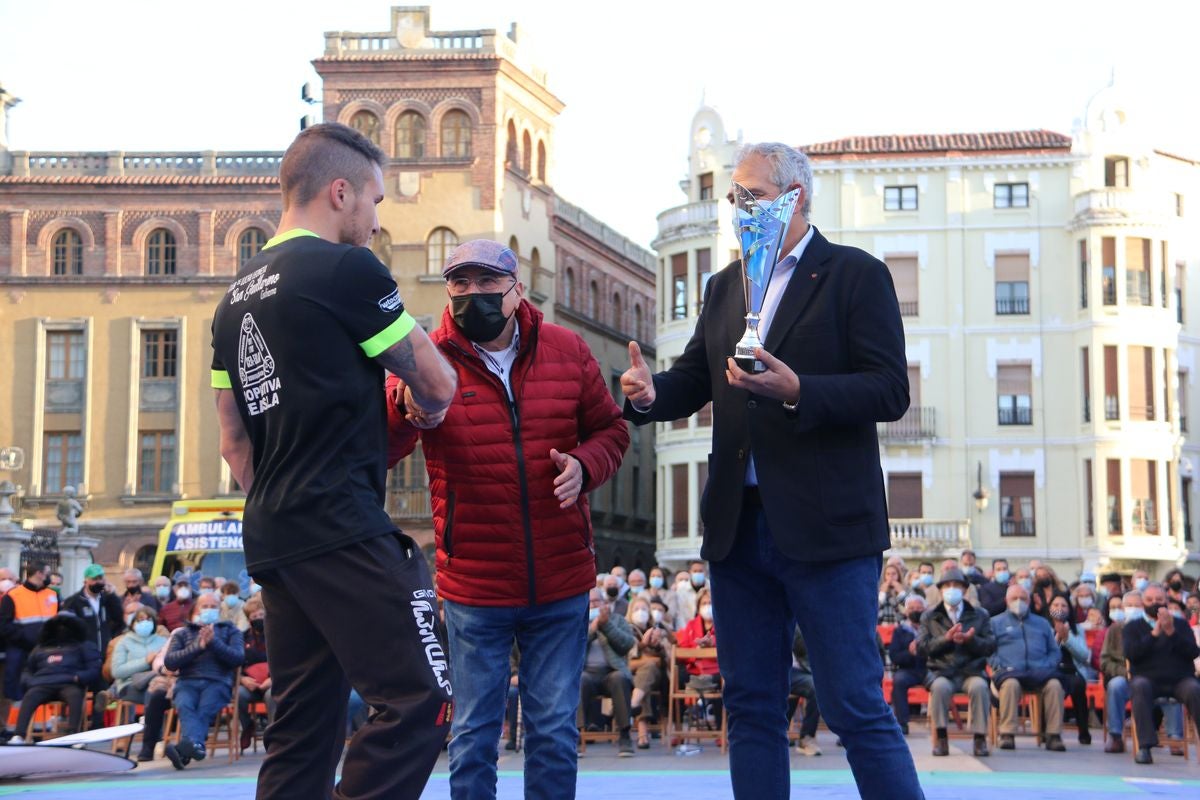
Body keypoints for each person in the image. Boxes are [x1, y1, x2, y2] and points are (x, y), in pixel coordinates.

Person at [621, 141, 922, 799]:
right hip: (738, 531)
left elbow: (889, 390)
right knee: (752, 706)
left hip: (827, 532)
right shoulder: (725, 286)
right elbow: (697, 377)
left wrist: (798, 391)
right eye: (734, 197)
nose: (738, 209)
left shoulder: (853, 275)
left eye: (751, 195)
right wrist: (648, 396)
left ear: (796, 197)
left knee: (852, 706)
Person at [210, 122, 458, 799]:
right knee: (422, 696)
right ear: (340, 192)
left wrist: (284, 504)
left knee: (302, 729)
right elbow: (437, 385)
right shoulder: (346, 270)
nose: (377, 222)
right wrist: (426, 402)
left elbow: (234, 441)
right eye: (375, 202)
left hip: (274, 532)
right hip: (341, 522)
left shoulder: (232, 300)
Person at [383, 238, 628, 800]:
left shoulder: (569, 350)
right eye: (460, 284)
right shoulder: (425, 355)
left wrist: (585, 467)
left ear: (516, 290)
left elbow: (611, 432)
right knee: (471, 733)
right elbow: (386, 441)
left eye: (487, 283)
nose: (473, 295)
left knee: (553, 732)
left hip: (561, 577)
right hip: (475, 581)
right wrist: (402, 409)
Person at [917, 568, 994, 757]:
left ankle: (979, 739)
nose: (952, 589)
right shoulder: (929, 616)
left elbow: (990, 645)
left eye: (956, 586)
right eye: (947, 586)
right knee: (940, 688)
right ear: (941, 590)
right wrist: (946, 638)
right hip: (942, 671)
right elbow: (922, 647)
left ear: (964, 590)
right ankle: (941, 739)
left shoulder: (980, 614)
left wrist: (971, 640)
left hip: (971, 671)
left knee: (980, 687)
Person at [162, 593, 244, 769]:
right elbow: (170, 662)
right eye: (204, 606)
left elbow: (237, 658)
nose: (209, 609)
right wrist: (197, 647)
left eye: (213, 606)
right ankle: (195, 747)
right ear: (196, 609)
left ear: (219, 609)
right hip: (187, 682)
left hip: (218, 681)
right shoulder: (182, 633)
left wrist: (214, 642)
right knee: (185, 705)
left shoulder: (231, 631)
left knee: (205, 709)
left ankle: (185, 750)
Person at [1123, 583, 1200, 764]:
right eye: (1150, 600)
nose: (1154, 603)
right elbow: (1131, 654)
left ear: (1166, 601)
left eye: (1159, 599)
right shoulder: (1132, 627)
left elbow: (1193, 652)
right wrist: (1154, 634)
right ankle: (1145, 746)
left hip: (1179, 680)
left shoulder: (1180, 624)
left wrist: (1171, 633)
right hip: (1147, 679)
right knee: (1139, 687)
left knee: (1194, 689)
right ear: (1143, 602)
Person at [989, 584, 1067, 752]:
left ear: (1029, 601)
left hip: (1039, 672)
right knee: (1010, 685)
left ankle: (1053, 735)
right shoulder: (995, 623)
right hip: (1009, 673)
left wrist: (1047, 665)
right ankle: (1007, 733)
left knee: (1055, 685)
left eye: (1023, 599)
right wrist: (999, 666)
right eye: (1014, 599)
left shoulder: (1042, 623)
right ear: (1006, 601)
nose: (1019, 602)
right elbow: (988, 651)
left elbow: (1055, 652)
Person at [10, 613, 100, 742]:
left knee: (75, 696)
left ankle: (73, 735)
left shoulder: (83, 646)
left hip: (70, 683)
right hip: (42, 684)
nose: (61, 629)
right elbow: (27, 670)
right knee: (30, 696)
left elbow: (94, 668)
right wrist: (30, 682)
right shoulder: (40, 648)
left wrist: (78, 678)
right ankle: (18, 735)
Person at [579, 588, 637, 756]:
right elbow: (574, 647)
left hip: (611, 671)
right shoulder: (578, 622)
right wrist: (593, 629)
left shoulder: (617, 620)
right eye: (590, 602)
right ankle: (575, 737)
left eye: (597, 601)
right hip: (587, 672)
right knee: (579, 680)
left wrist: (606, 626)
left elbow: (626, 644)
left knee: (620, 679)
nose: (593, 605)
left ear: (604, 603)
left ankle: (625, 736)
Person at [1, 563, 58, 722]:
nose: (49, 577)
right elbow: (5, 625)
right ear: (39, 573)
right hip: (20, 649)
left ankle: (39, 725)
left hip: (46, 650)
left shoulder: (52, 595)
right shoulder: (13, 595)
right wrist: (26, 639)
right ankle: (14, 727)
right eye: (47, 573)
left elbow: (57, 621)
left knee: (43, 686)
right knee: (16, 688)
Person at [626, 594, 672, 749]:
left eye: (644, 609)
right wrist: (642, 645)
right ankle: (642, 734)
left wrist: (657, 645)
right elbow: (625, 654)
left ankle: (633, 705)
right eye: (637, 609)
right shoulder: (625, 629)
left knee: (649, 669)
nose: (641, 612)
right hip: (630, 674)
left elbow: (667, 657)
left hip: (657, 678)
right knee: (643, 677)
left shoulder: (657, 629)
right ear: (631, 611)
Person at [1047, 594, 1092, 745]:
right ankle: (1051, 732)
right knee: (1053, 686)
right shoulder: (1044, 627)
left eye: (1063, 605)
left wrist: (1067, 638)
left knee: (1078, 685)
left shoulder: (1077, 629)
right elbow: (1044, 654)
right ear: (1049, 608)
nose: (1059, 608)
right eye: (1056, 605)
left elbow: (1084, 655)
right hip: (1051, 671)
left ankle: (1084, 732)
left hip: (1072, 670)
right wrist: (1057, 638)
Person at [1101, 590, 1139, 753]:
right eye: (1129, 606)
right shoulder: (1115, 630)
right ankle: (1115, 735)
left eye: (1137, 606)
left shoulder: (1153, 629)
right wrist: (1124, 672)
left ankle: (1175, 737)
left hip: (1148, 676)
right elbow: (1104, 660)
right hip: (1123, 676)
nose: (1133, 609)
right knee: (1115, 686)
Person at [887, 595, 928, 736]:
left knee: (940, 681)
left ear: (925, 609)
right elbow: (894, 656)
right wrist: (910, 653)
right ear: (906, 611)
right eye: (911, 608)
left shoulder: (931, 627)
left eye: (918, 608)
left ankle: (940, 725)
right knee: (899, 681)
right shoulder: (900, 631)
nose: (915, 611)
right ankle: (902, 723)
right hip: (908, 670)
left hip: (929, 669)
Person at [110, 605, 167, 704]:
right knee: (152, 695)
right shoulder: (124, 642)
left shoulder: (163, 642)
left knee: (163, 694)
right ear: (133, 624)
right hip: (129, 684)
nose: (145, 623)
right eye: (140, 619)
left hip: (157, 682)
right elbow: (117, 671)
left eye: (149, 620)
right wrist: (145, 662)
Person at [237, 595, 271, 753]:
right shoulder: (241, 637)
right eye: (254, 616)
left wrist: (272, 679)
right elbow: (235, 663)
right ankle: (247, 726)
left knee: (271, 697)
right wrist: (243, 679)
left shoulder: (277, 634)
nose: (258, 618)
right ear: (248, 619)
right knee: (239, 695)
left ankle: (274, 735)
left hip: (272, 682)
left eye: (261, 614)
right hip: (250, 683)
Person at [787, 626, 823, 757]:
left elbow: (804, 647)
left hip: (799, 670)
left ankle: (807, 737)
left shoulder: (798, 622)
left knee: (817, 686)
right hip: (775, 668)